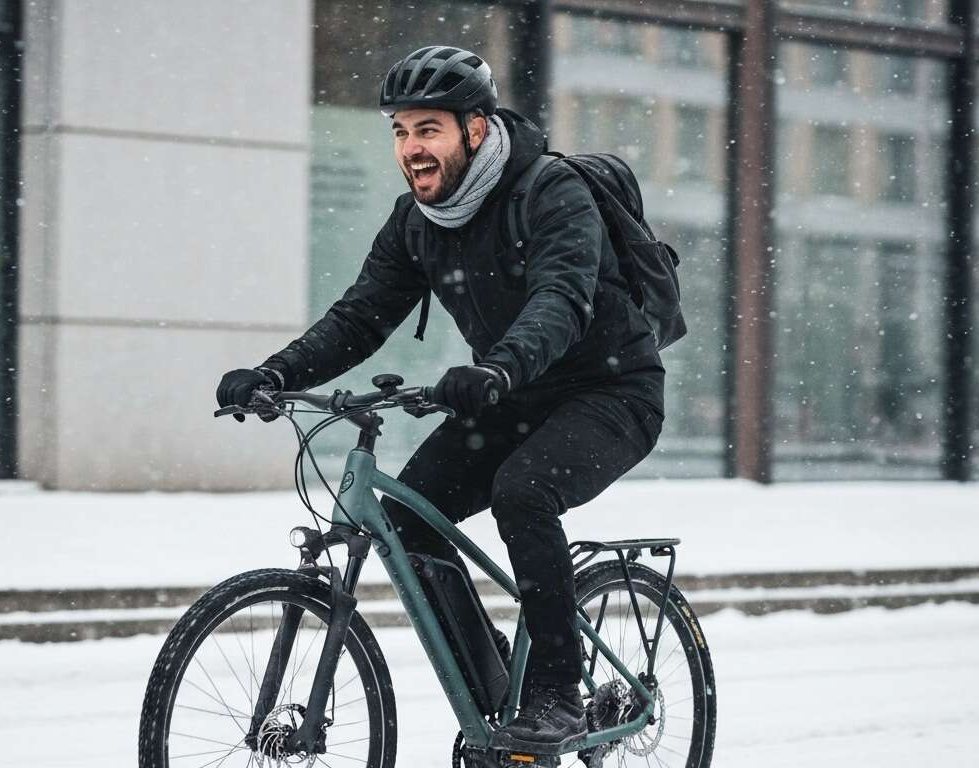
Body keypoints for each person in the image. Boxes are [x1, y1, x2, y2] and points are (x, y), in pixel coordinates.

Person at [216, 45, 665, 749]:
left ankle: (556, 694)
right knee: (407, 519)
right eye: (399, 131)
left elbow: (561, 300)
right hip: (512, 393)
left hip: (610, 390)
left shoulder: (551, 193)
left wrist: (499, 368)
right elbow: (361, 317)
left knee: (524, 492)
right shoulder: (416, 223)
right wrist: (277, 373)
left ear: (476, 129)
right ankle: (498, 697)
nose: (410, 148)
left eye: (428, 129)